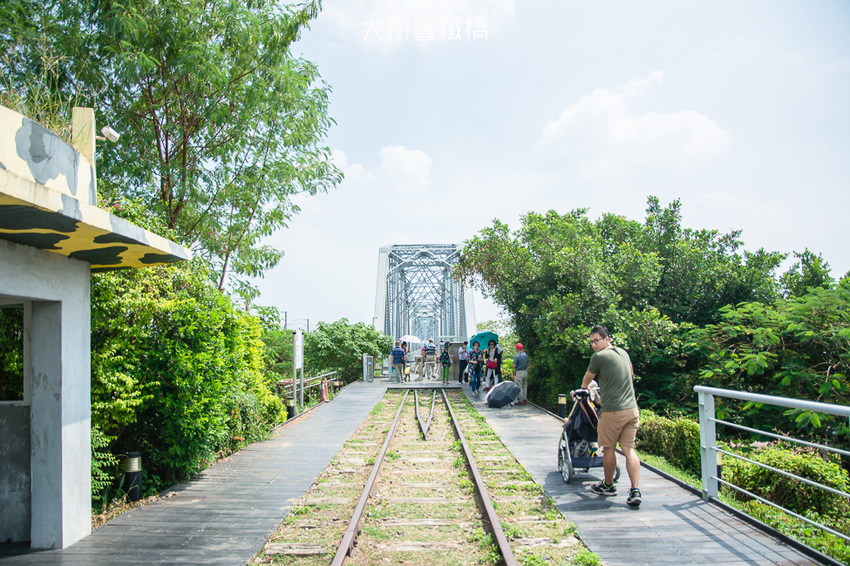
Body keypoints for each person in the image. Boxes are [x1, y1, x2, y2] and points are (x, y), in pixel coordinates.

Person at [582, 325, 642, 508]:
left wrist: (584, 390)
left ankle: (608, 485)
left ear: (607, 339)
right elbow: (630, 374)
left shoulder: (599, 357)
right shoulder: (623, 353)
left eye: (597, 341)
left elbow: (586, 380)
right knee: (628, 449)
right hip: (632, 410)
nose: (594, 345)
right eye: (591, 342)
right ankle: (634, 490)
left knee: (608, 448)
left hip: (612, 411)